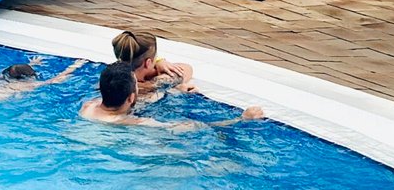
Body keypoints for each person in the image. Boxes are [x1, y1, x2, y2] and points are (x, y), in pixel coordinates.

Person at [81, 63, 262, 129]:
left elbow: (122, 107)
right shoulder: (134, 124)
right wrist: (242, 118)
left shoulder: (88, 107)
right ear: (130, 98)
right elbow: (190, 126)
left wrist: (172, 92)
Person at [112, 29, 195, 94]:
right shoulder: (143, 89)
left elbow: (187, 68)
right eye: (156, 57)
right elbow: (186, 71)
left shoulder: (111, 79)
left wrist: (160, 61)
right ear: (148, 63)